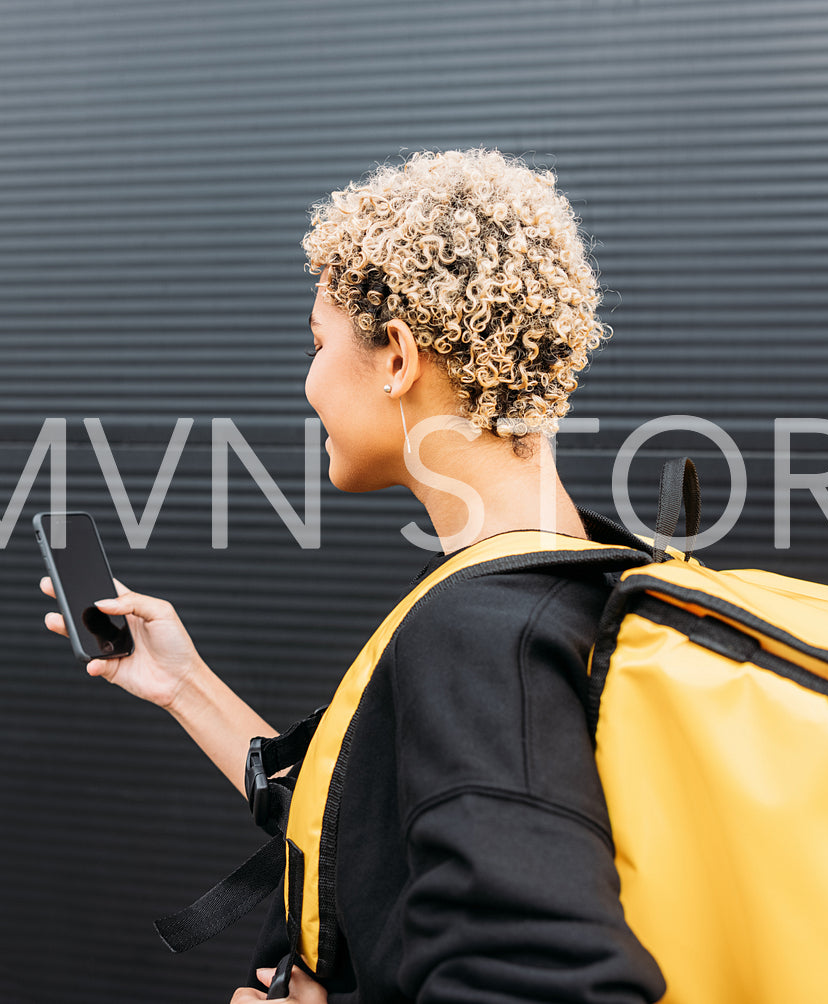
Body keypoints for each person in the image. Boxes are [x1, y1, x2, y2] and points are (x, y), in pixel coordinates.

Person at [40, 149, 666, 1003]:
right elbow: (377, 821)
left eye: (317, 342)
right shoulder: (580, 578)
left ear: (397, 360)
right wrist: (185, 686)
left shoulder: (480, 635)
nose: (308, 382)